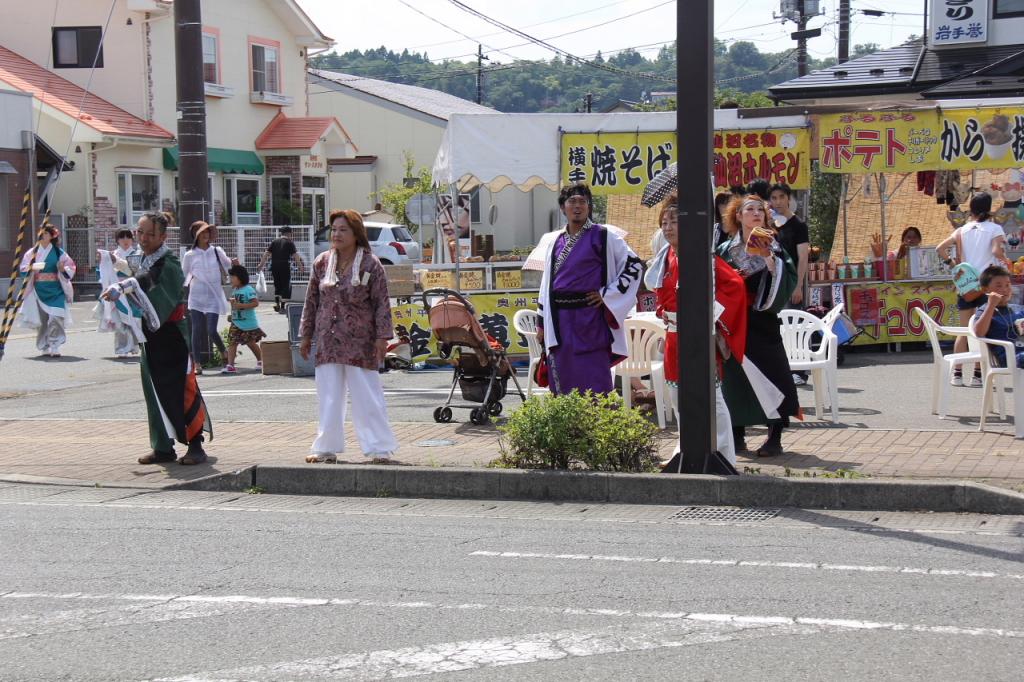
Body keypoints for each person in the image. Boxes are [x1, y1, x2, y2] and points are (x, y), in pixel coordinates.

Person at [101, 212, 211, 465]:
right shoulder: (144, 258)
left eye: (150, 234)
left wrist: (125, 285)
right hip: (151, 332)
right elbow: (141, 274)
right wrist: (122, 269)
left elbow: (147, 280)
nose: (144, 238)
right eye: (141, 232)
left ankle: (196, 445)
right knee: (153, 390)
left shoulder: (169, 262)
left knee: (183, 388)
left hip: (173, 333)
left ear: (163, 236)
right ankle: (163, 447)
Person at [645, 193, 748, 464]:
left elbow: (734, 287)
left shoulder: (702, 257)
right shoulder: (666, 257)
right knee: (678, 398)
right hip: (674, 336)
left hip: (698, 335)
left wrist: (710, 315)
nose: (667, 227)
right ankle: (685, 449)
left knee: (711, 398)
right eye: (664, 222)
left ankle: (724, 453)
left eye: (674, 222)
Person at [299, 209, 397, 464]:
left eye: (343, 230)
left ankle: (379, 448)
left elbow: (382, 303)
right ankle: (325, 447)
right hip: (328, 339)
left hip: (361, 340)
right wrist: (306, 335)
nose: (337, 234)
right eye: (334, 230)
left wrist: (382, 338)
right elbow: (311, 301)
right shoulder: (322, 262)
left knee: (367, 394)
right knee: (328, 395)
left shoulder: (370, 264)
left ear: (356, 234)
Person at [535, 183, 643, 396]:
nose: (577, 206)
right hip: (559, 321)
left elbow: (634, 265)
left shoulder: (604, 236)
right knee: (563, 375)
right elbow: (546, 284)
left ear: (589, 206)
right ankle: (568, 427)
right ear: (562, 207)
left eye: (582, 201)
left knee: (594, 377)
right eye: (572, 201)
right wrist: (541, 323)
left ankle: (599, 426)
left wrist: (608, 295)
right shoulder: (553, 241)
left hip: (590, 318)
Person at [717, 195, 801, 457]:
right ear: (737, 216)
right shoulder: (724, 250)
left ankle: (775, 435)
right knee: (734, 378)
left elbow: (786, 277)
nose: (755, 214)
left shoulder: (773, 246)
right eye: (748, 210)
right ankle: (737, 432)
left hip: (761, 319)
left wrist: (769, 261)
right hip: (732, 321)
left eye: (760, 211)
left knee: (772, 376)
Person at [937, 193, 1008, 387]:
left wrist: (954, 266)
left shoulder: (962, 230)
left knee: (964, 331)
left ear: (972, 209)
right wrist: (1005, 260)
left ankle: (957, 374)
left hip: (966, 285)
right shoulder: (994, 228)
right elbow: (995, 251)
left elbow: (940, 249)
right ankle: (977, 375)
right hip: (986, 284)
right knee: (981, 331)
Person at [770, 183, 811, 386]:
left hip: (791, 283)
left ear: (789, 199)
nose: (777, 202)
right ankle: (783, 369)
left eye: (781, 197)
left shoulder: (798, 225)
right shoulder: (769, 225)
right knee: (779, 329)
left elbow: (803, 257)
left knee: (796, 326)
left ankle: (801, 371)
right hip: (775, 285)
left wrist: (798, 286)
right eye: (774, 198)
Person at [17, 224, 76, 357]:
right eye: (41, 233)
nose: (43, 235)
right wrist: (31, 268)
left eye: (46, 233)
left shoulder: (58, 252)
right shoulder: (32, 252)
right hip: (39, 289)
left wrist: (62, 269)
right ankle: (44, 345)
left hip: (56, 289)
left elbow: (70, 266)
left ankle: (55, 345)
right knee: (43, 320)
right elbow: (23, 268)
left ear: (51, 236)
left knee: (56, 317)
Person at [182, 220, 231, 374]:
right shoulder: (189, 255)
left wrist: (233, 263)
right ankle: (197, 363)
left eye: (207, 232)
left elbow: (229, 265)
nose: (205, 235)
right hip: (196, 295)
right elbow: (184, 275)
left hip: (214, 295)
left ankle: (224, 352)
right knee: (196, 330)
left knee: (211, 329)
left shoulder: (217, 250)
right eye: (202, 232)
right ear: (196, 236)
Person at [96, 229, 144, 358]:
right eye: (122, 237)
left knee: (132, 319)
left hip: (131, 292)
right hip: (115, 293)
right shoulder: (111, 254)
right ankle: (121, 348)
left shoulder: (137, 254)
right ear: (117, 240)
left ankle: (132, 346)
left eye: (128, 237)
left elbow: (136, 273)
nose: (125, 240)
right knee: (119, 321)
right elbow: (99, 271)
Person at [972, 265, 1024, 369]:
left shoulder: (1017, 309)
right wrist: (991, 305)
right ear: (986, 290)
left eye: (1007, 285)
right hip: (1008, 356)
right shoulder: (985, 310)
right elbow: (979, 332)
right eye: (999, 286)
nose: (1004, 290)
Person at [221, 264, 265, 374]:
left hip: (248, 322)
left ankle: (261, 361)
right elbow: (235, 305)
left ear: (240, 277)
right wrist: (232, 315)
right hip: (236, 322)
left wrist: (241, 306)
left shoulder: (248, 289)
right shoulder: (235, 290)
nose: (230, 279)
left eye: (232, 277)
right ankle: (230, 365)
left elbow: (255, 303)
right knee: (232, 342)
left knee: (250, 342)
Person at [258, 226, 305, 313]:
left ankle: (276, 303)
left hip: (274, 265)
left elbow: (266, 253)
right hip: (284, 265)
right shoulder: (289, 242)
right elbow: (296, 256)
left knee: (277, 284)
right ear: (289, 233)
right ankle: (282, 307)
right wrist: (300, 266)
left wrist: (261, 264)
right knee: (285, 285)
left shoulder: (274, 242)